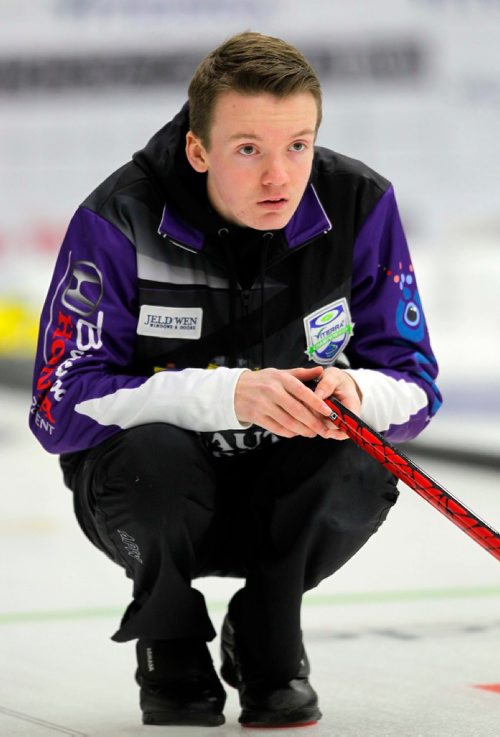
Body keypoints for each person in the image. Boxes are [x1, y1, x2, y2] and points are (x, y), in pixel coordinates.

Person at [29, 31, 441, 729]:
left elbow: (415, 386)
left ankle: (266, 633)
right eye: (248, 149)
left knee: (362, 456)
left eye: (298, 146)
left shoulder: (360, 204)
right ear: (198, 149)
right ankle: (170, 639)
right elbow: (56, 408)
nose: (279, 177)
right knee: (148, 461)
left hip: (280, 488)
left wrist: (357, 394)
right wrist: (227, 393)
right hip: (155, 490)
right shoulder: (119, 217)